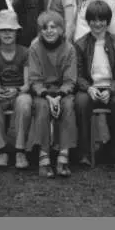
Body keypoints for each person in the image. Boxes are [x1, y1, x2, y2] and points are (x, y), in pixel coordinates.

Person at [74, 0, 115, 167]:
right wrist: (88, 88)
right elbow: (76, 74)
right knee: (80, 103)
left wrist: (111, 90)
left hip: (111, 88)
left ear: (108, 21)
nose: (97, 24)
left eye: (102, 20)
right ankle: (83, 153)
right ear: (88, 21)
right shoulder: (80, 44)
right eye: (93, 20)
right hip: (89, 88)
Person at [26, 11, 77, 178]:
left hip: (63, 91)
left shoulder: (69, 48)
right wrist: (47, 96)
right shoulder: (34, 48)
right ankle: (44, 155)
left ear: (61, 29)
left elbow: (70, 79)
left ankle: (64, 154)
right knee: (41, 107)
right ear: (40, 31)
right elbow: (34, 78)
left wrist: (59, 96)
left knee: (68, 105)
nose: (49, 31)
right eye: (45, 28)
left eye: (53, 27)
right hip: (42, 92)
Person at [0, 10, 32, 169]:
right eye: (3, 30)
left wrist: (17, 91)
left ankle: (20, 150)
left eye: (10, 30)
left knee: (24, 103)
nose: (7, 33)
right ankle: (1, 150)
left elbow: (27, 84)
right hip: (3, 93)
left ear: (17, 32)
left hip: (20, 92)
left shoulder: (25, 52)